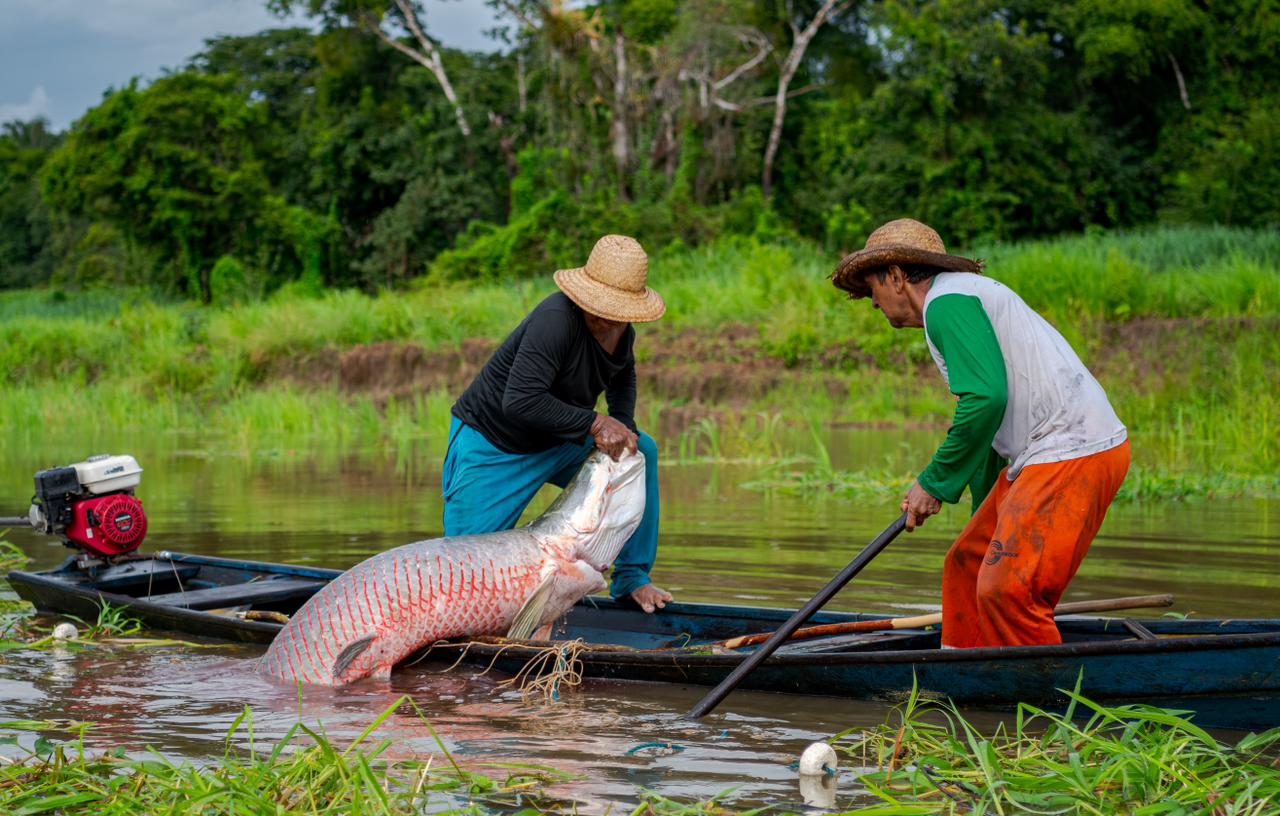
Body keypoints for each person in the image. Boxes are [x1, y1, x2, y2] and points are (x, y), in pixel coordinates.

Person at [831, 218, 1130, 648]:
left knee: (1006, 590)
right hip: (1042, 455)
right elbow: (990, 421)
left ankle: (1045, 700)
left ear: (896, 278)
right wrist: (986, 522)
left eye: (872, 290)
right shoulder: (958, 299)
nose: (874, 305)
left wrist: (933, 483)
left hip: (1073, 449)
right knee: (969, 564)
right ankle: (963, 678)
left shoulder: (946, 304)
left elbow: (986, 399)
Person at [442, 234, 673, 613]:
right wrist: (597, 424)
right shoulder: (555, 321)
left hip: (559, 437)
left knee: (639, 450)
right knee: (462, 579)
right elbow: (519, 400)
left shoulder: (622, 330)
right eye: (603, 312)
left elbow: (622, 376)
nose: (610, 322)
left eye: (620, 313)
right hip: (496, 444)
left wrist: (622, 425)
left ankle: (632, 577)